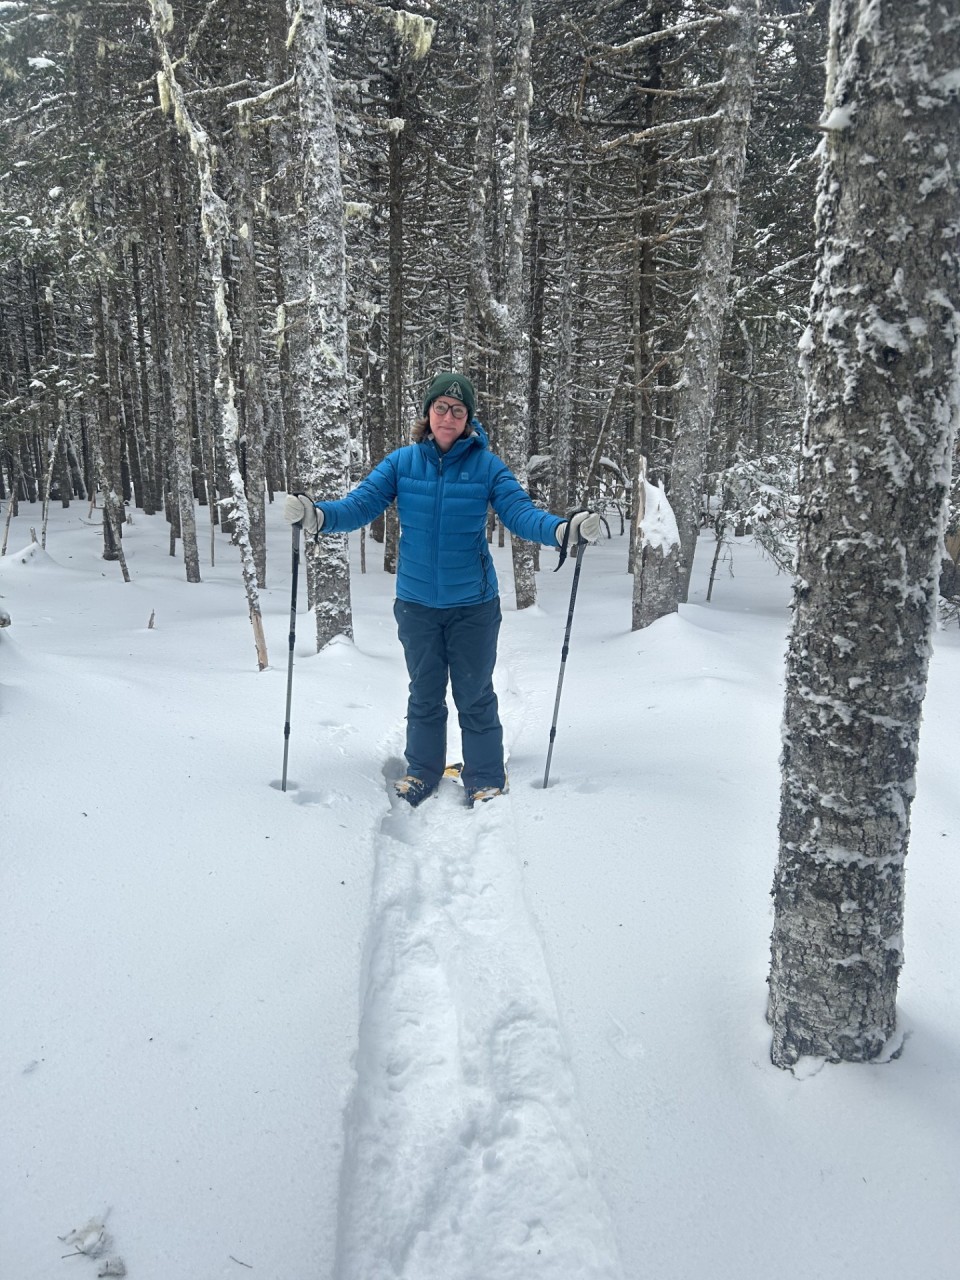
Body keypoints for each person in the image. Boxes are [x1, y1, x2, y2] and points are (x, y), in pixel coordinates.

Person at [284, 371, 600, 808]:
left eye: (457, 410)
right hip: (416, 605)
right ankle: (423, 771)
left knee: (474, 693)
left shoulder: (488, 467)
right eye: (440, 408)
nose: (447, 416)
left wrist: (563, 531)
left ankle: (486, 775)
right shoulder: (401, 463)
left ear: (468, 418)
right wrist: (317, 517)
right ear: (428, 413)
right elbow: (359, 505)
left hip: (473, 604)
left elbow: (521, 514)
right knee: (425, 691)